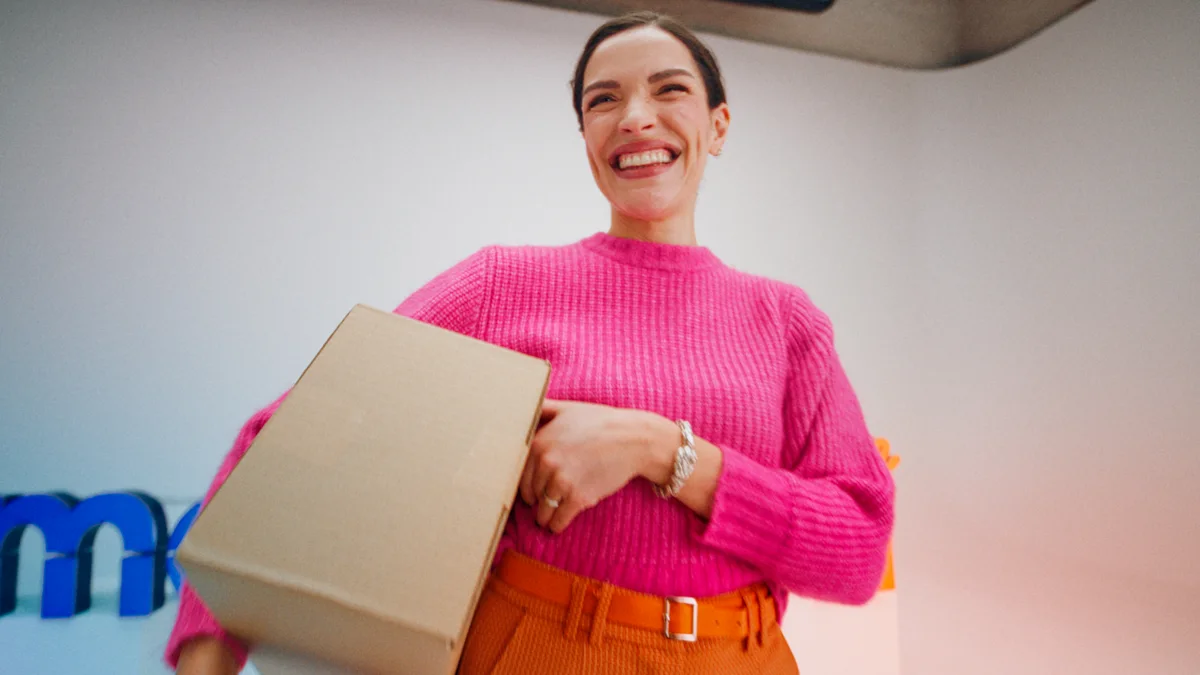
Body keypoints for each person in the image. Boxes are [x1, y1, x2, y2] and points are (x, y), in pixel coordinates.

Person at [168, 11, 895, 675]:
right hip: (536, 647)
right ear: (585, 136)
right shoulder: (500, 285)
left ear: (719, 124)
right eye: (603, 100)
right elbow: (289, 435)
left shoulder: (785, 321)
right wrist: (208, 656)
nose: (636, 118)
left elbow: (858, 550)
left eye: (667, 90)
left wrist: (661, 450)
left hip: (744, 657)